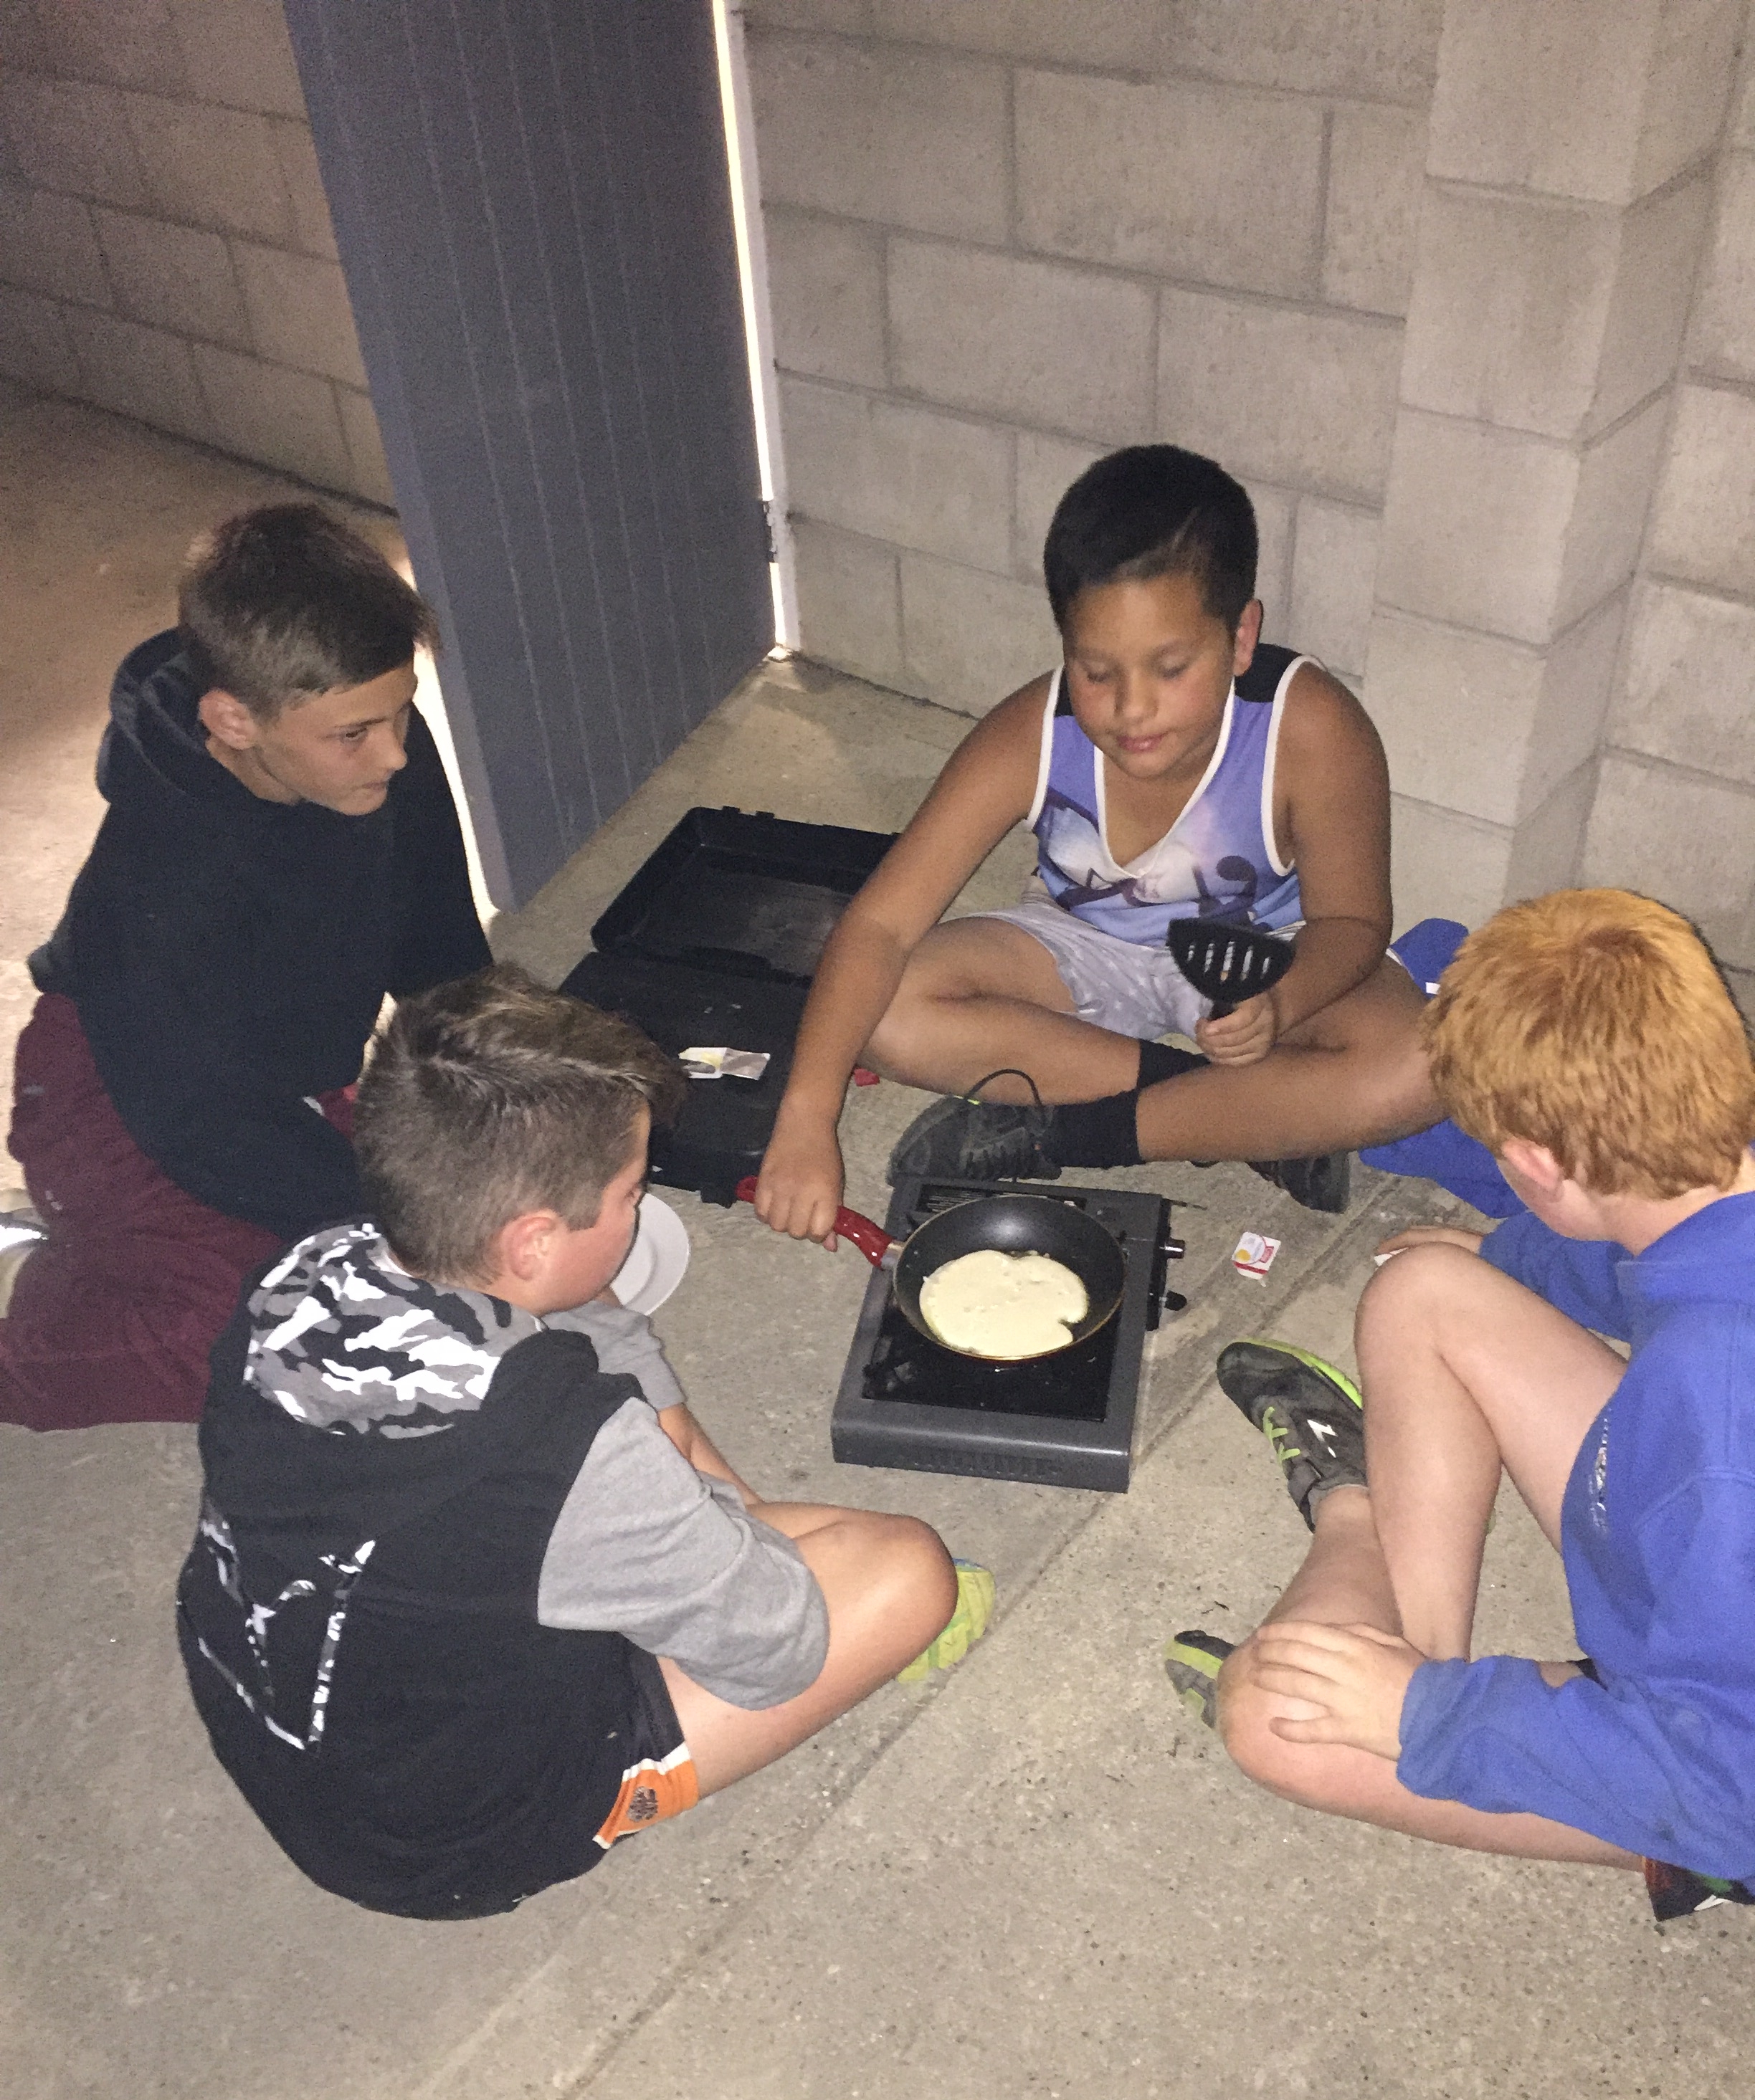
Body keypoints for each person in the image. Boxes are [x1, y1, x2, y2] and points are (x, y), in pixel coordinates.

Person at [176, 965, 968, 1919]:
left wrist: (709, 1510)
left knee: (715, 1535)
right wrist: (719, 1530)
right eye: (632, 1192)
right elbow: (772, 1653)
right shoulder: (566, 1449)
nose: (639, 1209)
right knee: (909, 1573)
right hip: (440, 1836)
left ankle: (689, 1553)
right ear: (533, 1242)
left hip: (286, 1726)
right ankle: (617, 1756)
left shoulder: (306, 1271)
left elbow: (580, 1313)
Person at [1164, 889, 1755, 1922]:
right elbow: (1639, 1261)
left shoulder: (1721, 1426)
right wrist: (1509, 1252)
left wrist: (1426, 1715)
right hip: (1697, 1555)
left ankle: (1357, 1525)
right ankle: (1410, 1646)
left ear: (1533, 1166)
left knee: (1270, 1716)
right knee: (1425, 1290)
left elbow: (1729, 1791)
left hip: (1722, 1779)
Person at [754, 444, 1437, 1243]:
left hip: (1258, 960)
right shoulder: (1030, 733)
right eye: (1097, 671)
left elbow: (1353, 923)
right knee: (888, 1011)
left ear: (1241, 637)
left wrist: (1281, 1001)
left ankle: (1079, 1133)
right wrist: (806, 1115)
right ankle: (1236, 1111)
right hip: (1080, 944)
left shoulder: (1312, 727)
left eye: (1171, 667)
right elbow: (879, 927)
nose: (1131, 709)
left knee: (1426, 1062)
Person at [0, 502, 491, 1431]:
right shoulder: (167, 875)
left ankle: (115, 1252)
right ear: (233, 719)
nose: (395, 752)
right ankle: (41, 1293)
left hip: (281, 1079)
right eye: (355, 734)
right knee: (267, 1338)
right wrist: (387, 1224)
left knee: (459, 1205)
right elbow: (197, 1122)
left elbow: (438, 943)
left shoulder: (376, 746)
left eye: (401, 711)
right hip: (118, 1099)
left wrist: (497, 1087)